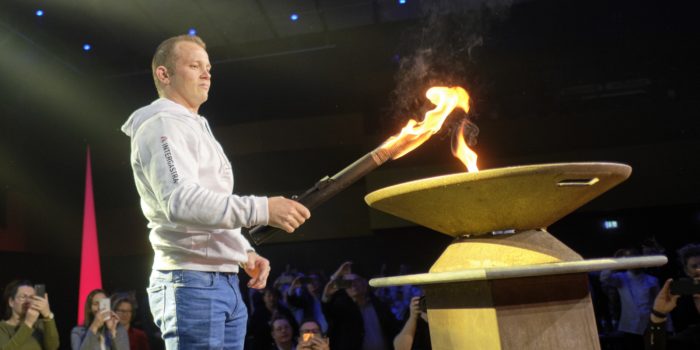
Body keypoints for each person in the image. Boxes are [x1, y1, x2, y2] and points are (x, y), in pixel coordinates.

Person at [121, 34, 310, 350]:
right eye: (194, 66)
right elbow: (181, 202)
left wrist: (241, 252)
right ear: (163, 74)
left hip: (219, 282)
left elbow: (205, 210)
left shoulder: (192, 124)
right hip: (191, 283)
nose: (207, 74)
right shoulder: (162, 124)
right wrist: (263, 209)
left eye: (208, 67)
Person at [322, 262, 399, 350]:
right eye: (347, 283)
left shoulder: (378, 304)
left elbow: (393, 329)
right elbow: (327, 297)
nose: (353, 285)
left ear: (364, 282)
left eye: (356, 281)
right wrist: (337, 275)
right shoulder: (341, 309)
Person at [600, 248, 660, 348]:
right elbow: (604, 277)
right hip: (629, 327)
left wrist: (668, 327)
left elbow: (659, 304)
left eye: (634, 258)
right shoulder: (621, 278)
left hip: (649, 325)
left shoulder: (652, 280)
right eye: (628, 259)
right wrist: (616, 261)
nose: (632, 262)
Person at [645, 243, 700, 349]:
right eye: (694, 266)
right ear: (686, 270)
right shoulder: (679, 296)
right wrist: (657, 316)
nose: (699, 269)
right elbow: (654, 346)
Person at [0, 280, 59, 350]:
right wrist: (28, 323)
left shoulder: (39, 324)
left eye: (31, 297)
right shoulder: (2, 328)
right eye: (23, 297)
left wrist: (47, 315)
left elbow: (52, 347)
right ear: (11, 302)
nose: (28, 301)